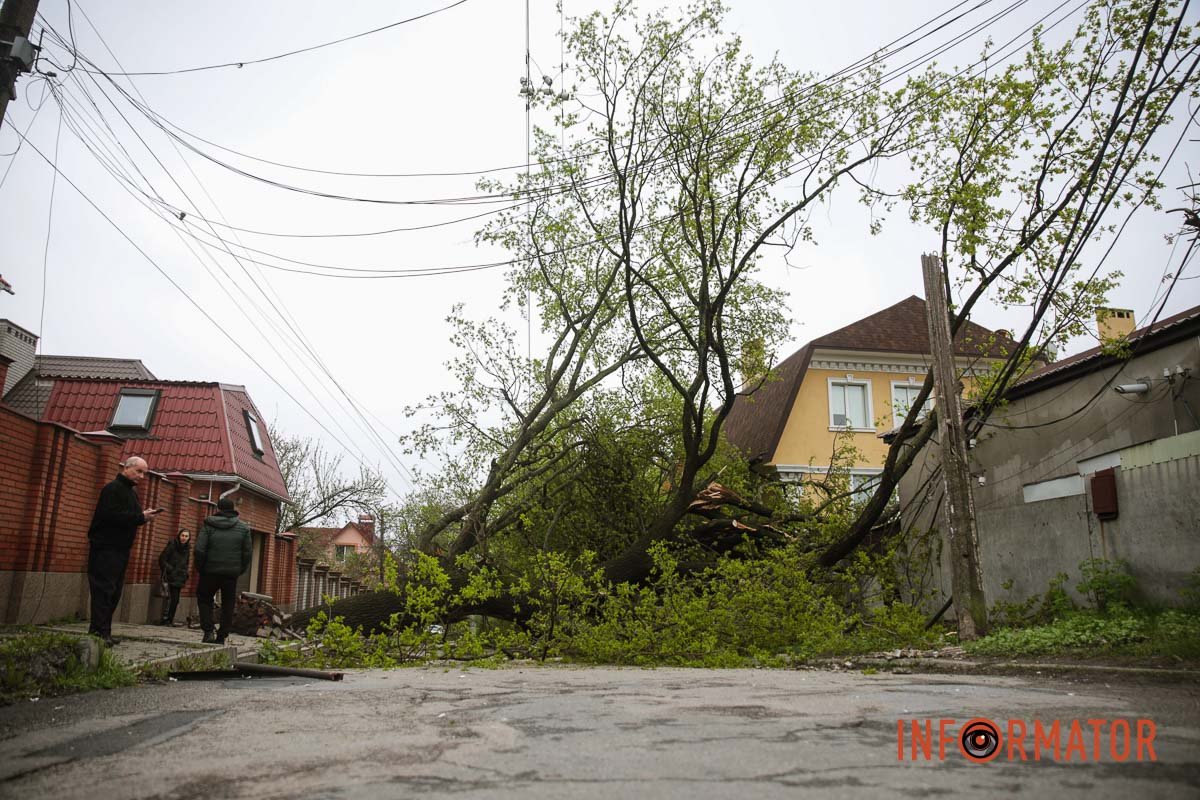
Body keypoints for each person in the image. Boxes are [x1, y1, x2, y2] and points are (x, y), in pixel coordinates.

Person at [86, 456, 163, 646]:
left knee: (114, 592)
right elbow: (111, 516)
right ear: (127, 468)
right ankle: (98, 633)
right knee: (104, 591)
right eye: (139, 471)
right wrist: (140, 517)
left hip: (120, 549)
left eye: (144, 472)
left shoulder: (130, 492)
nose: (142, 476)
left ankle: (104, 631)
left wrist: (142, 516)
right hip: (106, 548)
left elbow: (127, 516)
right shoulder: (113, 489)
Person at [194, 496, 251, 644]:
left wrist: (201, 567)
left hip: (209, 572)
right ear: (233, 509)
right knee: (228, 604)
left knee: (204, 599)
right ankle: (222, 635)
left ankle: (208, 631)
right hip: (230, 574)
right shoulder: (243, 528)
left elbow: (199, 549)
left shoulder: (208, 525)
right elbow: (247, 553)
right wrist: (239, 570)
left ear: (217, 509)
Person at [157, 528, 191, 625]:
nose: (184, 538)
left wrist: (185, 573)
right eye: (182, 535)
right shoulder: (172, 545)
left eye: (186, 536)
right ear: (179, 536)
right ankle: (166, 619)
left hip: (180, 577)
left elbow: (186, 563)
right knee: (170, 599)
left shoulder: (187, 549)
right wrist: (170, 570)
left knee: (175, 600)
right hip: (170, 576)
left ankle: (169, 620)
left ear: (189, 538)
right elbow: (162, 559)